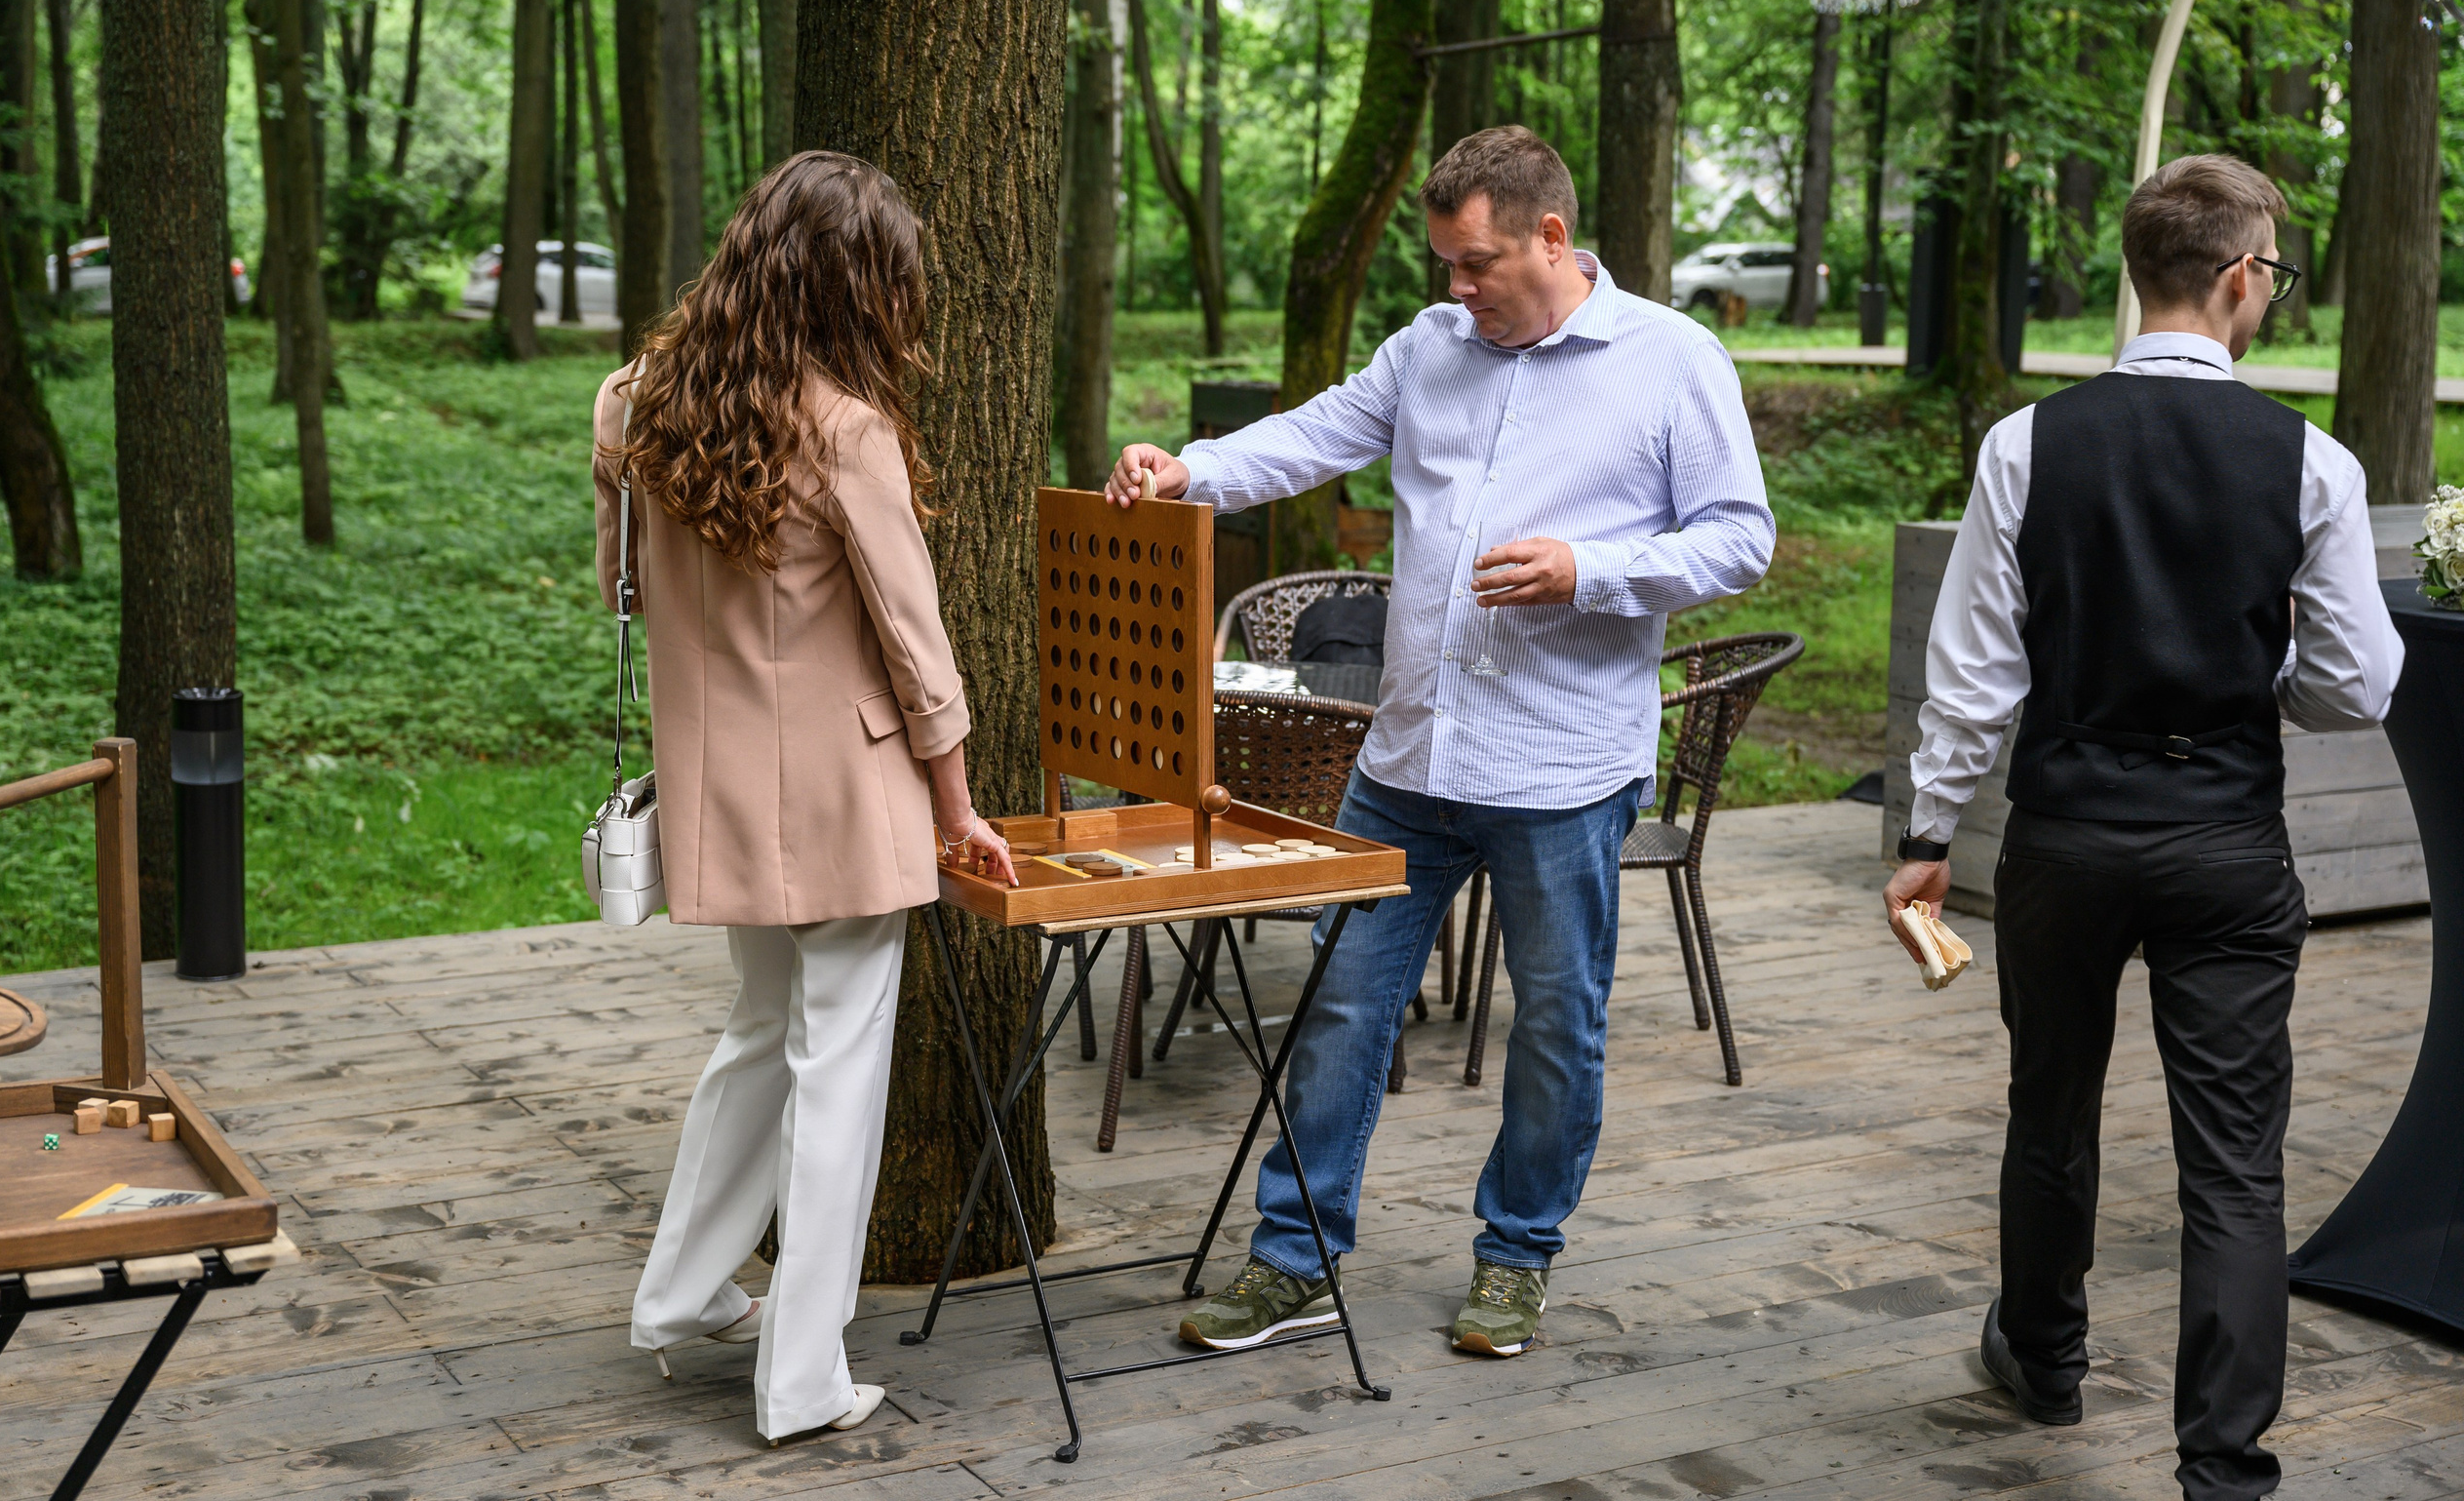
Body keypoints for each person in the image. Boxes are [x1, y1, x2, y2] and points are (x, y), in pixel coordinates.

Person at [1104, 125, 1774, 1358]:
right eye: (1446, 266)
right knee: (1340, 1011)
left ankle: (1516, 1254)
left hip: (1562, 768)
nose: (1455, 290)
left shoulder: (1674, 361)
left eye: (1476, 266)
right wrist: (1185, 468)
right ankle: (1294, 1262)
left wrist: (1593, 566)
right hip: (1406, 760)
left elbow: (1739, 538)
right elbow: (1309, 434)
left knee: (1559, 1025)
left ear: (1552, 237)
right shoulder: (1429, 347)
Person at [1884, 154, 2404, 1500]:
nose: (2269, 293)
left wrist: (1929, 831)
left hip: (2066, 833)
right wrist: (2260, 678)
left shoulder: (2026, 443)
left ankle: (2045, 1360)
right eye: (2273, 273)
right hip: (2227, 837)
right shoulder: (2314, 463)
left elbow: (1976, 672)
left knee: (2049, 1107)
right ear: (2238, 277)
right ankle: (2223, 1465)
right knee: (2233, 1157)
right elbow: (2361, 682)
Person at [597, 152, 1017, 1443]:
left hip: (721, 787)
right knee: (837, 1066)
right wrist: (958, 802)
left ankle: (678, 1294)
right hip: (845, 795)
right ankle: (800, 1374)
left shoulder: (631, 403)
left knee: (756, 1029)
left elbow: (620, 587)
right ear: (854, 286)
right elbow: (917, 638)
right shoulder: (847, 432)